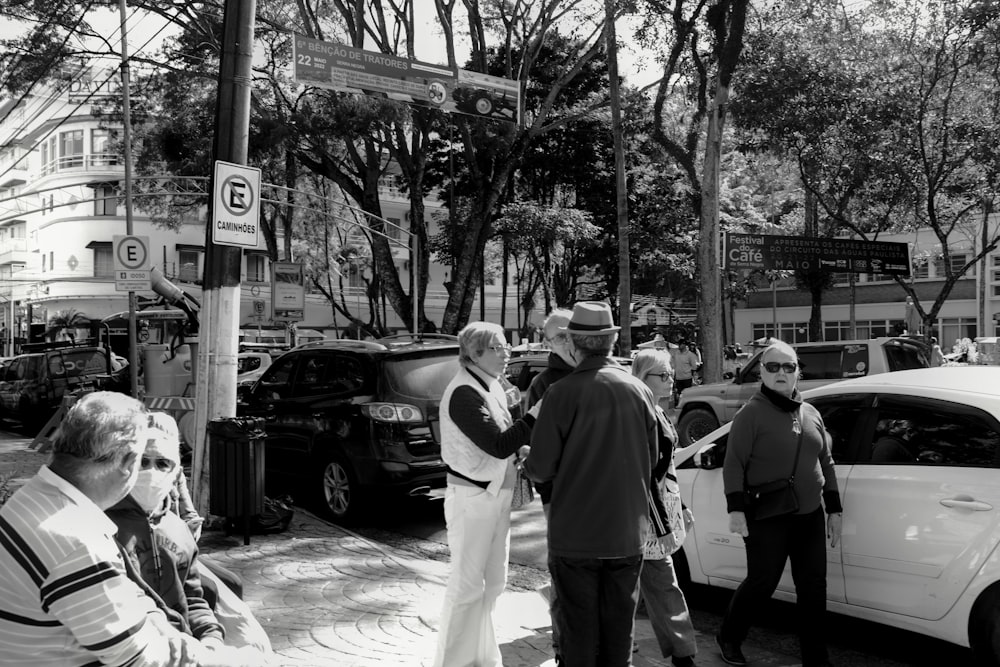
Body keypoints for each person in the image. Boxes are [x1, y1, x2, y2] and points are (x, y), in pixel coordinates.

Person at [0, 391, 267, 666]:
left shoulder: (31, 498)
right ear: (129, 465)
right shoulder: (78, 543)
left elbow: (126, 606)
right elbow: (144, 660)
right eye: (142, 461)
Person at [524, 301, 659, 667]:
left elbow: (539, 468)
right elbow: (656, 457)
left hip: (576, 537)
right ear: (610, 342)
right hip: (626, 532)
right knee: (619, 637)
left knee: (578, 637)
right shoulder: (638, 390)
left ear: (575, 343)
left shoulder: (561, 393)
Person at [717, 341, 842, 667]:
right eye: (773, 367)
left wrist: (835, 510)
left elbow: (825, 463)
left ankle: (816, 658)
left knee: (813, 587)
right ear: (762, 371)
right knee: (762, 582)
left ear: (798, 371)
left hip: (809, 515)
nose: (781, 373)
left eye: (788, 367)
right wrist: (735, 509)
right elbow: (734, 464)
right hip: (767, 515)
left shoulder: (811, 412)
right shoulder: (751, 414)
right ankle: (729, 635)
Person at [432, 321, 541, 667]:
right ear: (474, 354)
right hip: (472, 499)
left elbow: (506, 438)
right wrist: (535, 416)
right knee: (467, 587)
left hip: (496, 497)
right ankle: (453, 662)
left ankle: (481, 658)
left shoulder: (492, 385)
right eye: (497, 347)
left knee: (494, 582)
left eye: (506, 346)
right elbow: (496, 444)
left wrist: (520, 447)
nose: (506, 353)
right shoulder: (464, 392)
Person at [632, 350, 698, 667]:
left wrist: (680, 507)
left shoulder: (657, 411)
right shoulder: (640, 414)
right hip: (643, 519)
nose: (670, 380)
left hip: (658, 514)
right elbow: (644, 475)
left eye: (671, 373)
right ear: (642, 378)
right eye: (663, 374)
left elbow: (667, 468)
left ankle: (682, 655)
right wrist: (662, 526)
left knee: (658, 587)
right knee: (656, 587)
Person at [524, 307, 576, 662]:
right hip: (559, 494)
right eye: (559, 336)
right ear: (548, 343)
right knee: (565, 570)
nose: (568, 340)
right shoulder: (543, 385)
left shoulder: (604, 374)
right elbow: (533, 447)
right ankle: (562, 644)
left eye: (572, 332)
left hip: (601, 493)